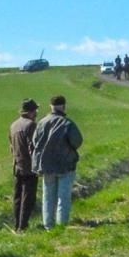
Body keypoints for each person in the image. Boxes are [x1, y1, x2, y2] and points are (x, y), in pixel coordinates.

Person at [31, 95, 83, 229]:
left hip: (46, 165)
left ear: (50, 106)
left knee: (47, 197)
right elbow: (77, 141)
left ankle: (48, 225)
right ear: (64, 106)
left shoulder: (41, 123)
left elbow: (35, 142)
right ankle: (61, 225)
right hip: (65, 165)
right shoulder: (67, 123)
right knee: (63, 197)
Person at [9, 98, 39, 231]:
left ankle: (17, 225)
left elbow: (11, 147)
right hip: (29, 167)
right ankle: (23, 226)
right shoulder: (31, 125)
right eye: (36, 110)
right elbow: (33, 147)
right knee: (28, 197)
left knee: (17, 196)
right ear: (31, 112)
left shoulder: (13, 125)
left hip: (17, 165)